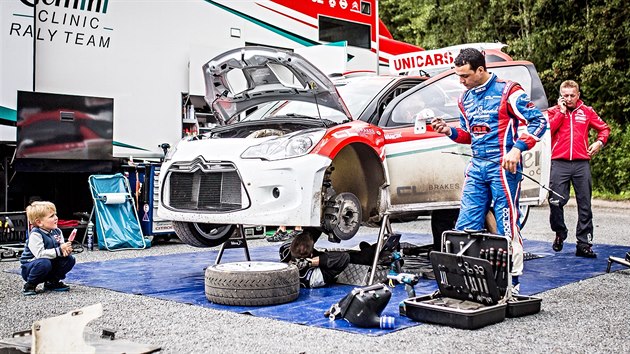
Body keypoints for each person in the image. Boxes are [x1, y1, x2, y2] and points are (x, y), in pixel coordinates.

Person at [431, 48, 547, 293]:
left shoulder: (509, 91)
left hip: (503, 166)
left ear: (481, 70)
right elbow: (467, 136)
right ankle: (470, 282)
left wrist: (517, 149)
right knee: (465, 225)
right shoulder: (465, 98)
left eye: (464, 76)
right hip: (477, 165)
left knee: (506, 225)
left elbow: (539, 121)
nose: (460, 82)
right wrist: (448, 131)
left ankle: (511, 283)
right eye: (458, 76)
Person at [547, 80, 610, 258]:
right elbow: (547, 131)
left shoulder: (587, 111)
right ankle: (560, 232)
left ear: (578, 95)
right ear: (561, 96)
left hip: (581, 163)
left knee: (585, 205)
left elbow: (604, 129)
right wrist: (561, 112)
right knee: (555, 201)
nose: (568, 99)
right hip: (559, 162)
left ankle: (584, 244)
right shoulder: (553, 112)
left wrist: (599, 142)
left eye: (572, 95)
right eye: (565, 95)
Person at [20, 201, 76, 295]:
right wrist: (59, 250)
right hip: (32, 267)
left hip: (49, 263)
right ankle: (30, 284)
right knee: (44, 262)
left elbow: (61, 248)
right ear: (39, 222)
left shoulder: (57, 231)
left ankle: (52, 282)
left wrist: (66, 250)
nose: (56, 218)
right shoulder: (35, 234)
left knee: (70, 259)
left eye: (55, 215)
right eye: (51, 216)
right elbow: (40, 254)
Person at [280, 232, 350, 288]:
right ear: (311, 255)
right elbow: (344, 257)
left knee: (308, 234)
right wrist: (312, 262)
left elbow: (292, 243)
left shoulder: (284, 250)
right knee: (350, 257)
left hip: (306, 257)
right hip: (315, 273)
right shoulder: (314, 278)